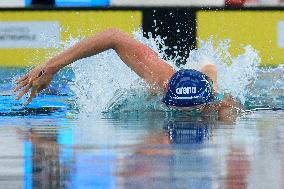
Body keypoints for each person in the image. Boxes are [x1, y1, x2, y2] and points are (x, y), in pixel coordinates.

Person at [14, 28, 242, 117]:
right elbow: (114, 36)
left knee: (210, 71)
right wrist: (52, 66)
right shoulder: (163, 81)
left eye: (188, 110)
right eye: (176, 108)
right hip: (178, 79)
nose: (182, 114)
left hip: (209, 86)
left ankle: (205, 62)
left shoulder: (219, 104)